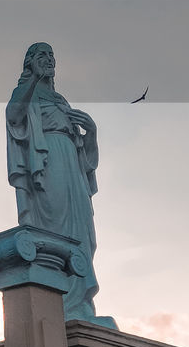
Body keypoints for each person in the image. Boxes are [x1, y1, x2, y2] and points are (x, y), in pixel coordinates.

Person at [6, 42, 111, 324]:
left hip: (73, 166)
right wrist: (33, 80)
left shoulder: (61, 100)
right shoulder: (26, 93)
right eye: (42, 56)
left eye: (51, 56)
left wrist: (91, 133)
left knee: (83, 233)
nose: (49, 60)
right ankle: (61, 302)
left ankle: (82, 305)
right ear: (30, 62)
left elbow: (88, 160)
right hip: (48, 163)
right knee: (55, 227)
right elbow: (14, 115)